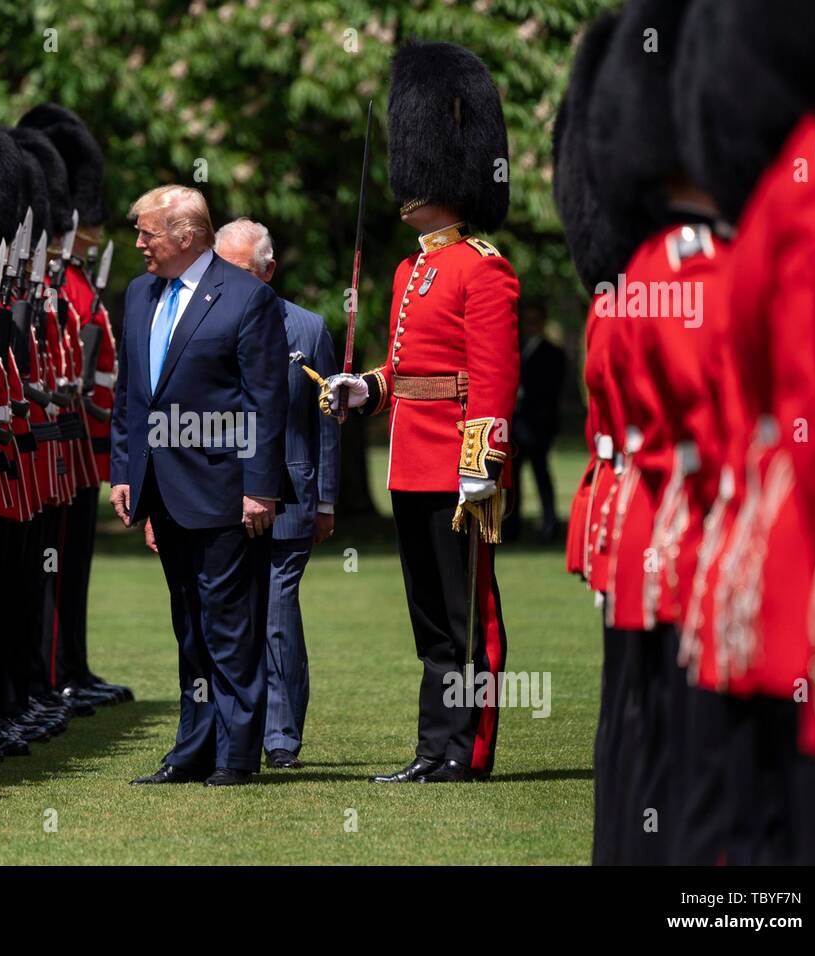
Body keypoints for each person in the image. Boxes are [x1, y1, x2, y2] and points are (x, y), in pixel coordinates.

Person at [321, 40, 519, 784]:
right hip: (409, 462)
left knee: (471, 623)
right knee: (431, 624)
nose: (405, 189)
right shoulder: (412, 268)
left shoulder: (483, 268)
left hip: (458, 470)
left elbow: (493, 381)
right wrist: (364, 388)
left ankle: (469, 751)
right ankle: (433, 747)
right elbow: (406, 369)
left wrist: (481, 471)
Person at [110, 185, 288, 787]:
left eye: (147, 233)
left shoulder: (246, 298)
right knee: (189, 627)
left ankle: (237, 755)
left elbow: (266, 401)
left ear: (185, 237)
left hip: (227, 491)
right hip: (163, 488)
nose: (138, 244)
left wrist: (260, 488)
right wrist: (123, 471)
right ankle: (194, 747)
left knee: (230, 627)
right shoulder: (139, 295)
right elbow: (132, 394)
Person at [212, 217, 339, 769]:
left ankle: (281, 737)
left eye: (241, 272)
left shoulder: (307, 330)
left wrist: (327, 499)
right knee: (224, 617)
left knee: (277, 613)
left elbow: (326, 424)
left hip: (289, 495)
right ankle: (229, 732)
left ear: (268, 271)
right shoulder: (205, 323)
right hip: (218, 494)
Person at [506, 302, 564, 542]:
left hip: (537, 425)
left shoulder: (553, 353)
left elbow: (552, 391)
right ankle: (511, 526)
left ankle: (550, 523)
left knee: (541, 475)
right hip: (515, 424)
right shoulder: (514, 349)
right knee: (513, 480)